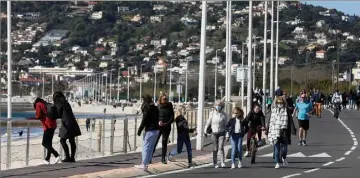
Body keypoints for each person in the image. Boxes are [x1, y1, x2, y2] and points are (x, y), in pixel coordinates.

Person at [266, 97, 296, 169]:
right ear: (276, 104)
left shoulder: (286, 110)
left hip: (284, 131)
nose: (280, 104)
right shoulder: (273, 111)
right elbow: (270, 121)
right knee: (276, 148)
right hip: (275, 131)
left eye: (281, 103)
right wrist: (267, 131)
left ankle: (284, 157)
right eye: (278, 103)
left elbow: (290, 121)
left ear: (284, 103)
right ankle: (277, 163)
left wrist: (293, 131)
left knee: (284, 149)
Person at [53, 91, 82, 163]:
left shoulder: (59, 103)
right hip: (72, 121)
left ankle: (68, 157)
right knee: (72, 140)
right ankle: (72, 157)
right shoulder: (66, 102)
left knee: (62, 140)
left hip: (66, 123)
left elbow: (58, 114)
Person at [31, 98, 61, 164]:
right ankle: (47, 159)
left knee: (44, 143)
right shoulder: (45, 104)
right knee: (49, 143)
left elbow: (38, 115)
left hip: (48, 125)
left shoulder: (38, 104)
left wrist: (34, 117)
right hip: (53, 124)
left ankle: (57, 155)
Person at [135, 94, 159, 170]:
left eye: (143, 100)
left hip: (150, 130)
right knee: (151, 147)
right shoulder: (155, 108)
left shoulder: (147, 108)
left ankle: (144, 164)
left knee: (145, 147)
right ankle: (147, 163)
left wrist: (139, 130)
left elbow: (144, 121)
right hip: (157, 130)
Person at [204, 100, 227, 168]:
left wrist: (227, 134)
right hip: (214, 133)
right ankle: (215, 162)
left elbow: (226, 125)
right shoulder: (212, 113)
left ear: (222, 106)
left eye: (219, 105)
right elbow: (208, 122)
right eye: (217, 105)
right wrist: (205, 130)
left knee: (221, 147)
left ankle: (222, 162)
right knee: (215, 148)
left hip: (222, 132)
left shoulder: (224, 114)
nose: (218, 106)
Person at [152, 94, 174, 164]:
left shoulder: (169, 106)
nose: (165, 100)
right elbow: (154, 117)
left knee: (164, 143)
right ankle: (149, 158)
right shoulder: (157, 107)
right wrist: (158, 122)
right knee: (154, 143)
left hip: (167, 127)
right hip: (158, 127)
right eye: (164, 99)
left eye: (166, 99)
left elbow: (172, 117)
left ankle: (163, 158)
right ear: (160, 100)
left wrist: (167, 123)